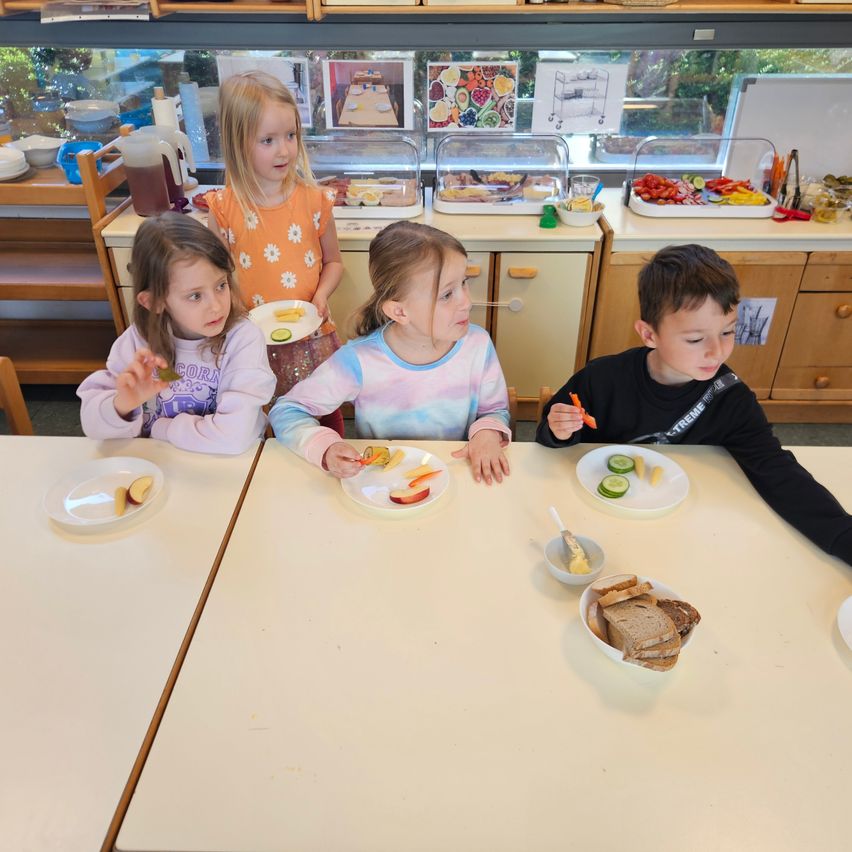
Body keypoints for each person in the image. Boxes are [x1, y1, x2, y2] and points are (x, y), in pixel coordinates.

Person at [536, 243, 852, 566]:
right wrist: (559, 430)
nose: (716, 351)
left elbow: (778, 473)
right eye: (695, 339)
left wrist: (844, 536)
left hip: (685, 535)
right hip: (595, 521)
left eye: (728, 331)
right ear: (648, 334)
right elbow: (548, 438)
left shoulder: (730, 399)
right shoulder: (602, 378)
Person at [270, 221, 512, 485]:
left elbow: (494, 410)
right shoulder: (358, 361)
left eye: (464, 283)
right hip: (381, 487)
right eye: (446, 295)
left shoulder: (477, 344)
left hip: (455, 479)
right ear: (399, 311)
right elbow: (287, 410)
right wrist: (325, 448)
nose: (466, 301)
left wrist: (488, 432)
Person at [205, 70, 345, 435]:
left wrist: (322, 294)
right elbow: (215, 279)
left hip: (311, 338)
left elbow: (334, 262)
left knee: (324, 416)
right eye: (267, 140)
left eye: (290, 136)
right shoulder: (223, 208)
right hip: (253, 344)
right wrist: (233, 312)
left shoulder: (315, 200)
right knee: (266, 425)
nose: (284, 150)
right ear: (238, 143)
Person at [78, 212, 276, 455]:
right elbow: (92, 427)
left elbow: (234, 437)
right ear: (154, 302)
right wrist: (122, 405)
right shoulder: (137, 343)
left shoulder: (242, 339)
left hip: (227, 469)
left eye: (221, 285)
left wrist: (161, 428)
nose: (216, 306)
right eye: (195, 295)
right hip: (160, 467)